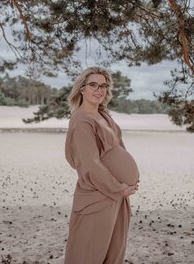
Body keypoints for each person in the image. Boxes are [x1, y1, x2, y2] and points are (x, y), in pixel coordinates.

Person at [64, 66, 140, 264]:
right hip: (98, 196)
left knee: (113, 253)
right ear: (82, 89)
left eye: (104, 86)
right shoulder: (81, 121)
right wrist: (118, 189)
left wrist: (126, 183)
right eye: (93, 85)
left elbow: (118, 149)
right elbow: (89, 165)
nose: (99, 90)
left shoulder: (104, 115)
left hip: (116, 195)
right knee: (89, 254)